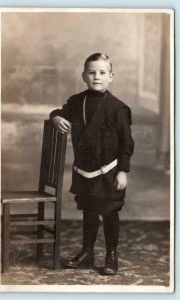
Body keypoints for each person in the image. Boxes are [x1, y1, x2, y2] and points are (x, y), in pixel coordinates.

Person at [50, 53, 134, 275]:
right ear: (84, 76)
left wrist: (123, 171)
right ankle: (87, 251)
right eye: (92, 72)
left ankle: (111, 254)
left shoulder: (118, 108)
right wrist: (56, 118)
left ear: (111, 77)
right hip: (84, 171)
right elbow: (59, 112)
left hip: (108, 171)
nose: (97, 77)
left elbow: (126, 143)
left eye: (102, 72)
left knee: (108, 213)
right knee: (88, 211)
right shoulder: (77, 101)